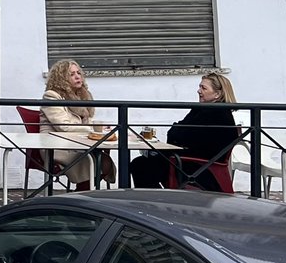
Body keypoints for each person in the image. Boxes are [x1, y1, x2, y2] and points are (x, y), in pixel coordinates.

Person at [130, 72, 239, 192]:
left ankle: (156, 202)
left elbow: (179, 134)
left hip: (198, 169)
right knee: (143, 164)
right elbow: (179, 134)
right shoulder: (206, 110)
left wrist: (177, 131)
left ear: (217, 94)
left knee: (140, 166)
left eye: (203, 88)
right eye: (199, 87)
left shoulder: (215, 114)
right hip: (188, 161)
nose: (198, 91)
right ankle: (157, 201)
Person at [39, 59, 117, 190]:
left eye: (78, 73)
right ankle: (82, 197)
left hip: (78, 146)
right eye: (71, 74)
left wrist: (100, 128)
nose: (77, 76)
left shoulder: (81, 96)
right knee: (101, 161)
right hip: (57, 148)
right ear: (61, 79)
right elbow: (64, 127)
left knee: (102, 159)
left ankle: (83, 195)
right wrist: (93, 129)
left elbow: (86, 123)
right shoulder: (51, 96)